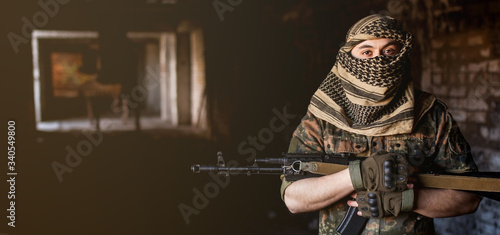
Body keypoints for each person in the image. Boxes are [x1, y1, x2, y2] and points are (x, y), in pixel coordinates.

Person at [280, 14, 482, 234]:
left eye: (389, 52)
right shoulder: (323, 116)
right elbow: (294, 198)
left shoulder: (430, 114)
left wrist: (405, 200)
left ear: (401, 56)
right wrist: (357, 176)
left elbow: (469, 197)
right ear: (348, 58)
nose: (378, 60)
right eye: (366, 52)